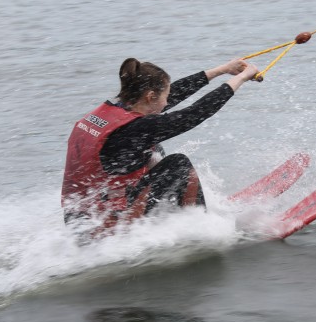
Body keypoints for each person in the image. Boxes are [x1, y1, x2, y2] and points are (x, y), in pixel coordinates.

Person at [61, 57, 260, 233]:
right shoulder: (138, 128)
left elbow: (173, 95)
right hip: (104, 226)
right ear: (150, 96)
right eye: (165, 96)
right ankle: (201, 226)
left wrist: (222, 70)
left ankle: (169, 212)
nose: (167, 103)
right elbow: (195, 114)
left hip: (79, 220)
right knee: (179, 165)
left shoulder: (115, 109)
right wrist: (240, 79)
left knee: (155, 149)